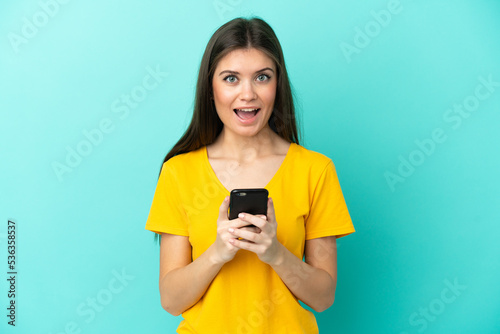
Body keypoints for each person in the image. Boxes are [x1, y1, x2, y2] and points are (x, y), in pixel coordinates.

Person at [145, 17, 355, 333]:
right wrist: (218, 252)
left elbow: (323, 297)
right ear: (210, 88)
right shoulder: (178, 172)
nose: (247, 94)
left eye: (261, 77)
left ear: (277, 84)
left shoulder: (315, 170)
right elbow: (172, 300)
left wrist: (275, 253)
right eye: (231, 78)